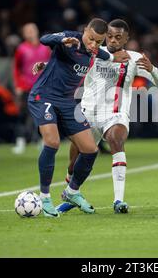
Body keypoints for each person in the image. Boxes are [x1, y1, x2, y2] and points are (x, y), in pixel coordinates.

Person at [56, 19, 158, 214]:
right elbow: (70, 69)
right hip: (87, 114)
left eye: (118, 37)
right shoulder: (94, 53)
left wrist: (152, 70)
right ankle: (71, 193)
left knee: (116, 140)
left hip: (115, 115)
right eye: (110, 36)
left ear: (126, 39)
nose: (113, 41)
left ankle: (118, 201)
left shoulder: (133, 58)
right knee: (74, 163)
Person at [29, 18, 130, 217]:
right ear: (85, 31)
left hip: (67, 103)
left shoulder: (96, 52)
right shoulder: (70, 38)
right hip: (44, 96)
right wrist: (61, 41)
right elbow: (44, 39)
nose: (93, 45)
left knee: (90, 150)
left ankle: (72, 192)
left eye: (98, 42)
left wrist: (116, 58)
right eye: (91, 39)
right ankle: (44, 198)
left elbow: (104, 56)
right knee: (52, 142)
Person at [12, 23, 51, 154]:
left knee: (42, 115)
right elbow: (16, 69)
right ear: (23, 34)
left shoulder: (45, 48)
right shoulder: (21, 49)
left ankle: (41, 141)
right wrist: (18, 85)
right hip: (26, 87)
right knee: (22, 115)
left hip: (42, 87)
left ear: (37, 31)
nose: (30, 32)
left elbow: (51, 65)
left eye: (32, 30)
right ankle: (20, 141)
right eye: (27, 30)